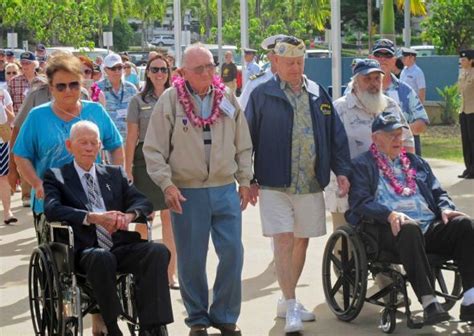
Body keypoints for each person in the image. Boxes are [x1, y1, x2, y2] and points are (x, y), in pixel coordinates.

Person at [143, 43, 253, 336]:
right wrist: (166, 184)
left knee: (232, 252)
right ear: (182, 73)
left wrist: (245, 180)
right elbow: (153, 149)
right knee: (191, 258)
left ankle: (225, 315)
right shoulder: (169, 101)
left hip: (224, 188)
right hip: (187, 191)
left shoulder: (228, 97)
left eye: (210, 66)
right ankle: (198, 319)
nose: (207, 72)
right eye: (199, 68)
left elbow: (243, 144)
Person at [245, 36, 351, 333]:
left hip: (310, 182)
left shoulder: (318, 94)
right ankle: (291, 304)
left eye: (299, 62)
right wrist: (247, 178)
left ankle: (284, 297)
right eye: (289, 62)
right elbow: (246, 140)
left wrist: (341, 170)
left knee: (301, 239)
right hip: (273, 183)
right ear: (275, 62)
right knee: (283, 239)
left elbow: (336, 137)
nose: (295, 67)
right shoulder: (261, 94)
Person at [43, 121, 173, 336]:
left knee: (157, 251)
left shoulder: (114, 174)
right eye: (82, 142)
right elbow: (52, 209)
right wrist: (92, 218)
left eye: (93, 143)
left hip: (119, 245)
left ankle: (152, 326)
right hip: (84, 250)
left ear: (100, 145)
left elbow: (143, 202)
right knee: (102, 257)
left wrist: (128, 215)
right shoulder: (57, 176)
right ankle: (112, 327)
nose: (88, 147)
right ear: (69, 145)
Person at [346, 111, 474, 325]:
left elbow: (438, 192)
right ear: (375, 139)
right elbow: (359, 202)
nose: (398, 140)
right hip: (388, 231)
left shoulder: (416, 162)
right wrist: (389, 214)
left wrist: (445, 208)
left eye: (400, 134)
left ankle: (470, 299)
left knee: (464, 225)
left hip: (428, 226)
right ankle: (428, 301)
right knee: (409, 228)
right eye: (391, 135)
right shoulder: (362, 165)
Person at [12, 52, 124, 238]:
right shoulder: (37, 117)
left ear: (81, 84)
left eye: (73, 84)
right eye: (61, 86)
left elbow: (115, 145)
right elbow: (21, 154)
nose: (68, 91)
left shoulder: (96, 111)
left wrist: (116, 178)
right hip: (51, 201)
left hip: (93, 199)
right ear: (51, 88)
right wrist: (37, 184)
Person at [327, 59, 414, 236]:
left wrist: (409, 176)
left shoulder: (390, 106)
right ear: (355, 81)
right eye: (368, 79)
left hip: (387, 188)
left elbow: (408, 142)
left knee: (389, 239)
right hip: (346, 187)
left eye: (377, 79)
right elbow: (329, 149)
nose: (373, 84)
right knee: (347, 246)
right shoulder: (340, 108)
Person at [125, 54, 178, 289]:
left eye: (163, 70)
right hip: (144, 159)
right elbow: (131, 136)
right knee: (144, 218)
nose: (159, 74)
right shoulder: (138, 100)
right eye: (155, 69)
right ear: (147, 72)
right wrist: (127, 168)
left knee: (170, 218)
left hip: (171, 160)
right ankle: (142, 271)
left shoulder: (176, 98)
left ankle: (169, 274)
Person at [370, 39, 429, 156]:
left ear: (394, 60)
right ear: (371, 58)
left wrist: (396, 134)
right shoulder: (357, 90)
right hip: (367, 160)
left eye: (387, 55)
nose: (382, 59)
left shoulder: (405, 91)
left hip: (400, 161)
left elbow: (422, 122)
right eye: (378, 55)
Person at [8, 51, 41, 207]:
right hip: (20, 125)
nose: (25, 66)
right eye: (23, 63)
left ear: (35, 64)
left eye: (28, 63)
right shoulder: (14, 82)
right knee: (23, 157)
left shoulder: (41, 82)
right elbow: (10, 105)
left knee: (38, 157)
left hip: (37, 125)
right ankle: (27, 194)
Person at [239, 34, 287, 110]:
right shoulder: (255, 83)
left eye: (284, 54)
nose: (280, 58)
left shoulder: (299, 84)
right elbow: (242, 109)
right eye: (276, 53)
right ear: (269, 56)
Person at [98, 53, 138, 139]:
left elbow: (137, 114)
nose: (117, 71)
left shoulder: (131, 89)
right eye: (113, 68)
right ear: (105, 70)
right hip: (107, 140)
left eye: (119, 67)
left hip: (128, 140)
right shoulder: (97, 89)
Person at [0, 87, 16, 224]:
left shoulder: (2, 92)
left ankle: (7, 212)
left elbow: (11, 119)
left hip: (2, 140)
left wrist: (1, 105)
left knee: (3, 177)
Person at [458, 49, 474, 179]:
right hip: (463, 110)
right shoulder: (462, 72)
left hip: (473, 111)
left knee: (473, 140)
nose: (461, 61)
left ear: (471, 61)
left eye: (464, 60)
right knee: (465, 140)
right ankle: (468, 167)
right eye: (461, 59)